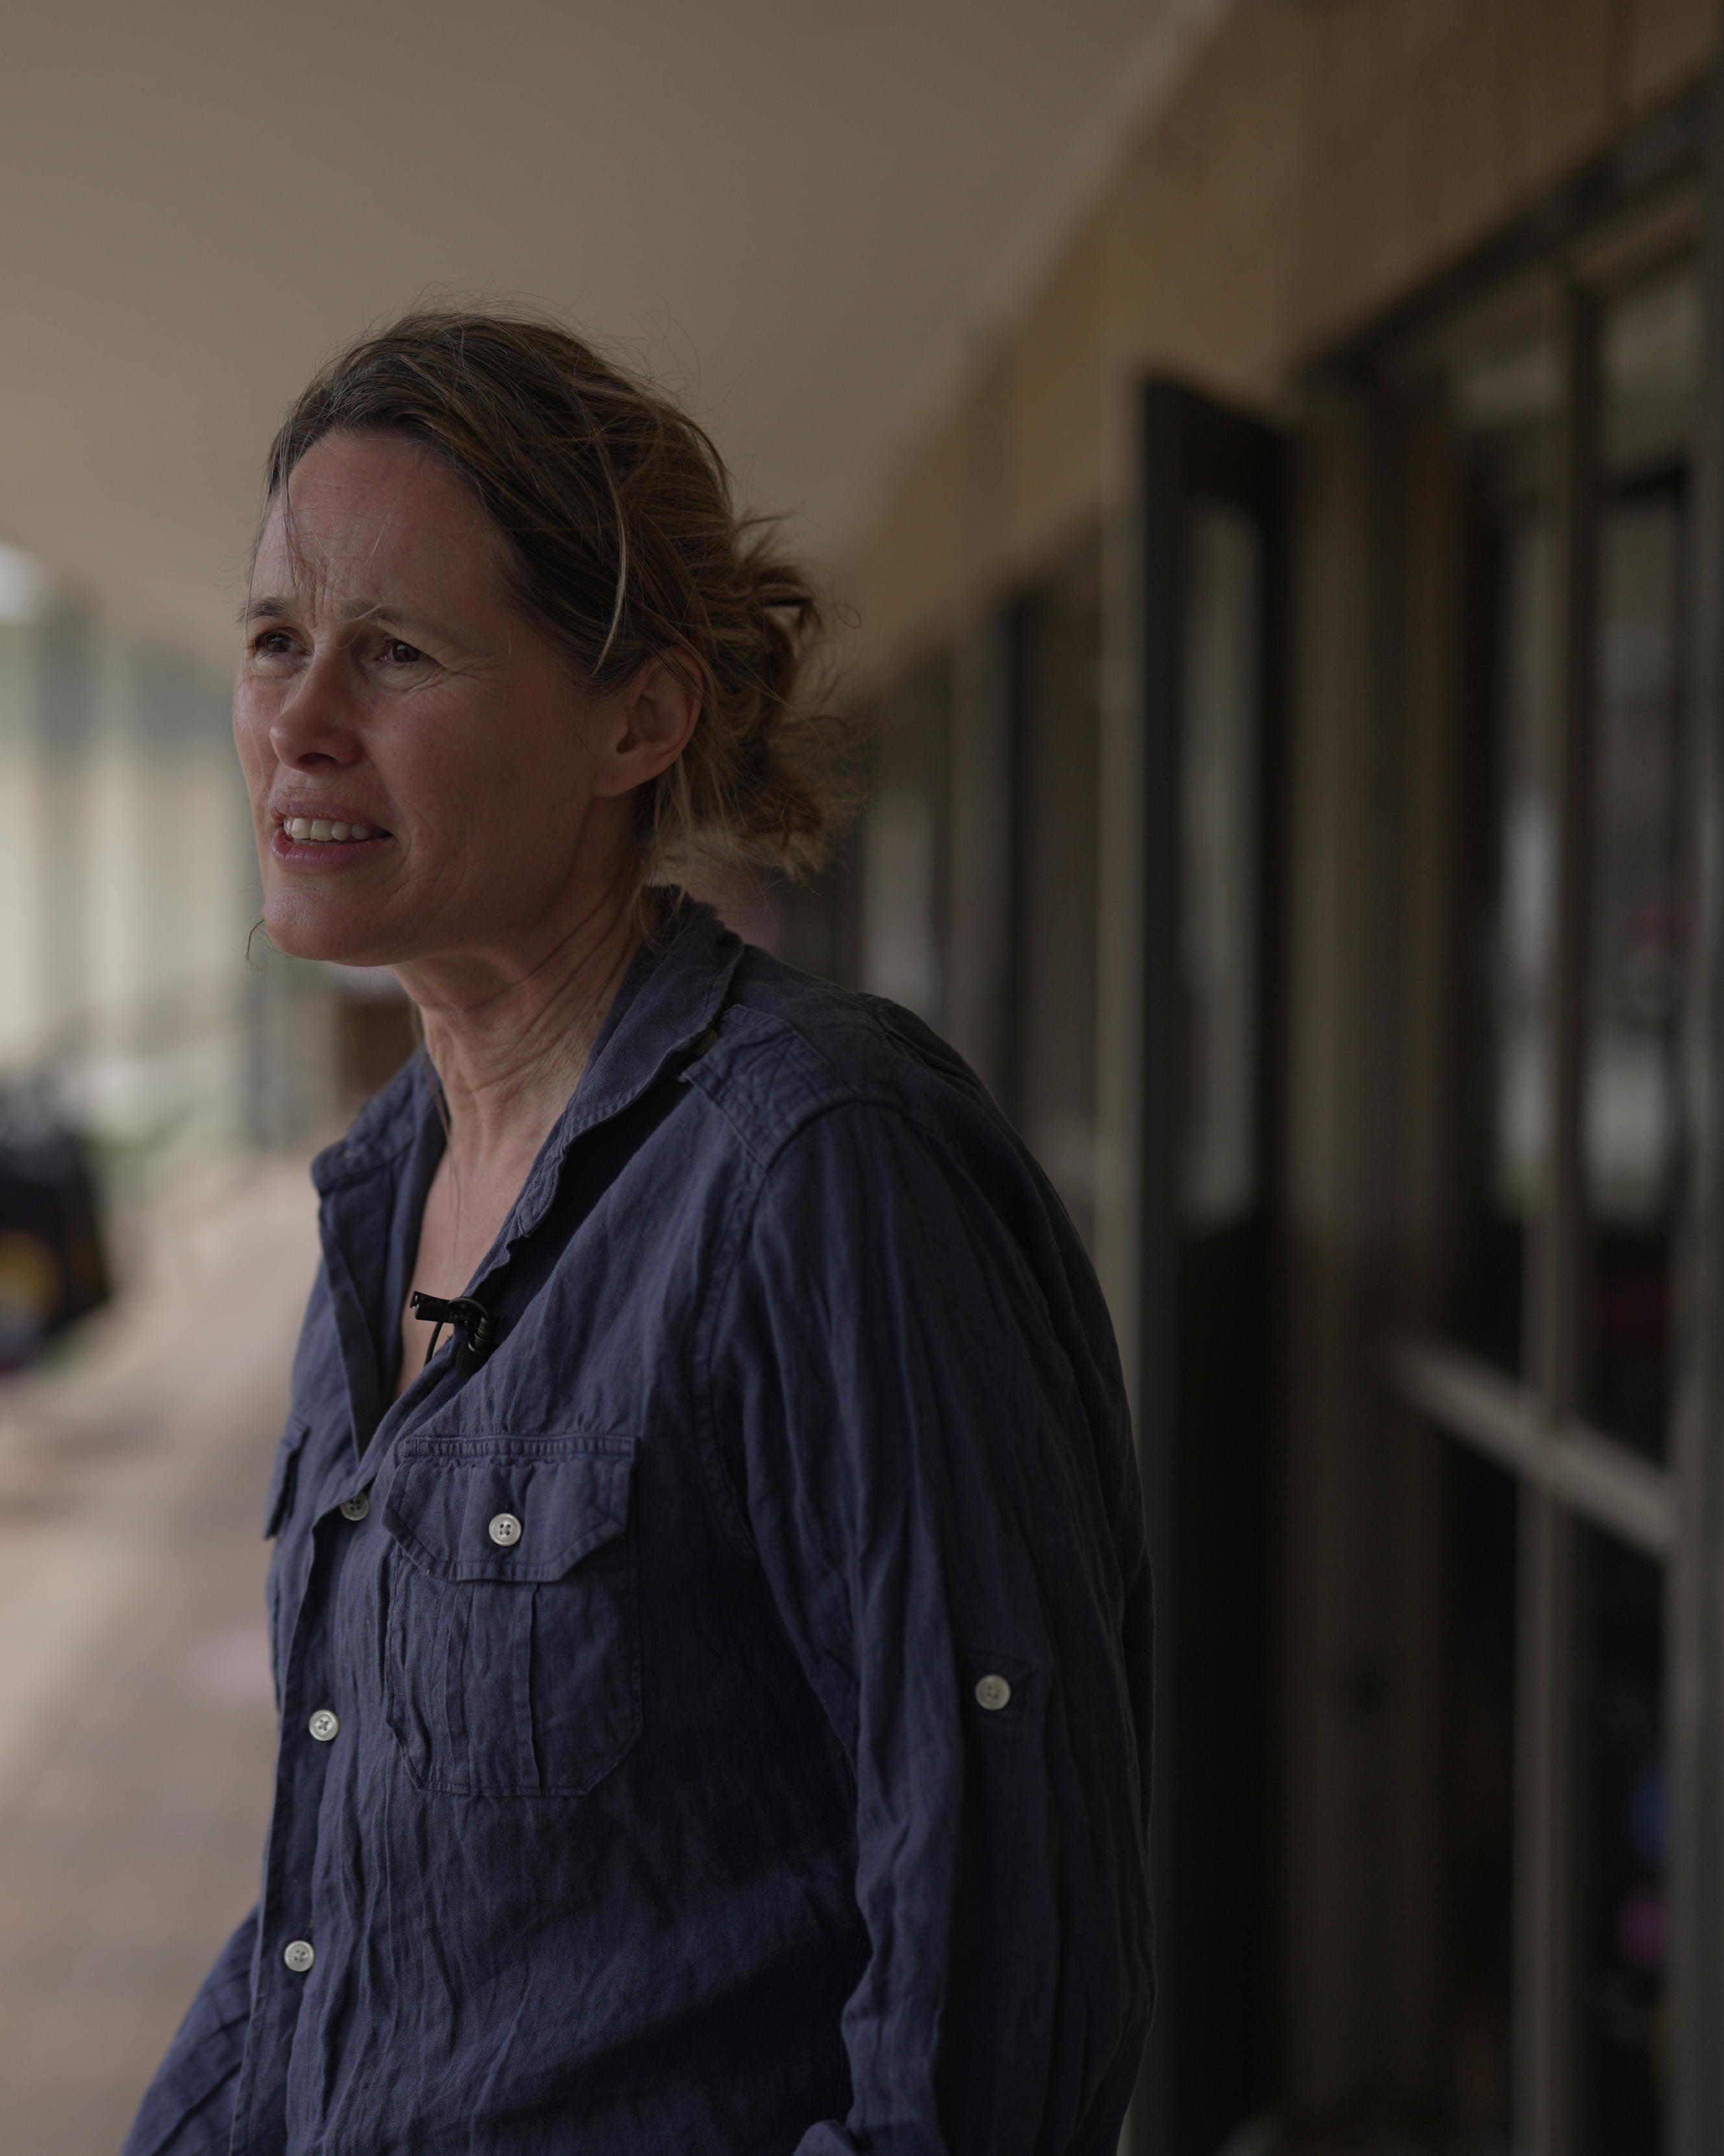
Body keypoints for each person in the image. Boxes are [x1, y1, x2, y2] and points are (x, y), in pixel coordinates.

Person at [125, 311, 1150, 2156]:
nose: (298, 716)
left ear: (639, 718)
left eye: (398, 652)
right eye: (275, 640)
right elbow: (341, 1917)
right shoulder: (385, 1192)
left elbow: (996, 1995)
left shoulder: (819, 1171)